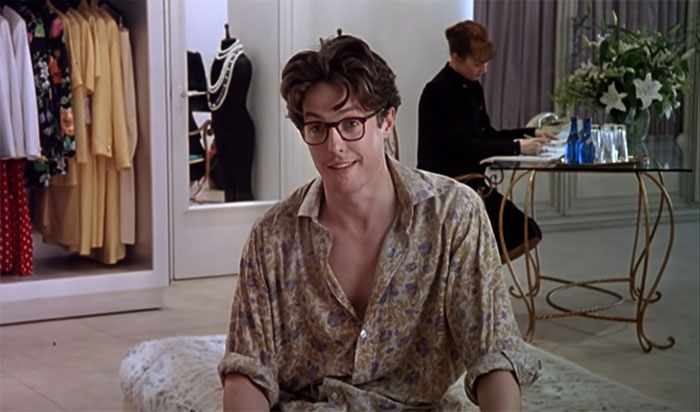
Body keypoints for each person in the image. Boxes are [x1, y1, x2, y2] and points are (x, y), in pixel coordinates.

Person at [218, 34, 539, 411]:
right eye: (317, 128)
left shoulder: (453, 216)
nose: (334, 146)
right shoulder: (273, 236)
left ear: (386, 120)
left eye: (351, 123)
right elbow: (247, 369)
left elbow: (494, 351)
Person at [417, 20, 556, 263]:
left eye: (485, 63)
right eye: (477, 64)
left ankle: (476, 274)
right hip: (450, 187)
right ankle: (475, 274)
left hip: (472, 184)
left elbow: (485, 134)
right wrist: (517, 147)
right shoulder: (437, 91)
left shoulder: (472, 88)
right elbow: (463, 146)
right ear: (456, 57)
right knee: (521, 232)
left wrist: (530, 132)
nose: (484, 70)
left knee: (526, 231)